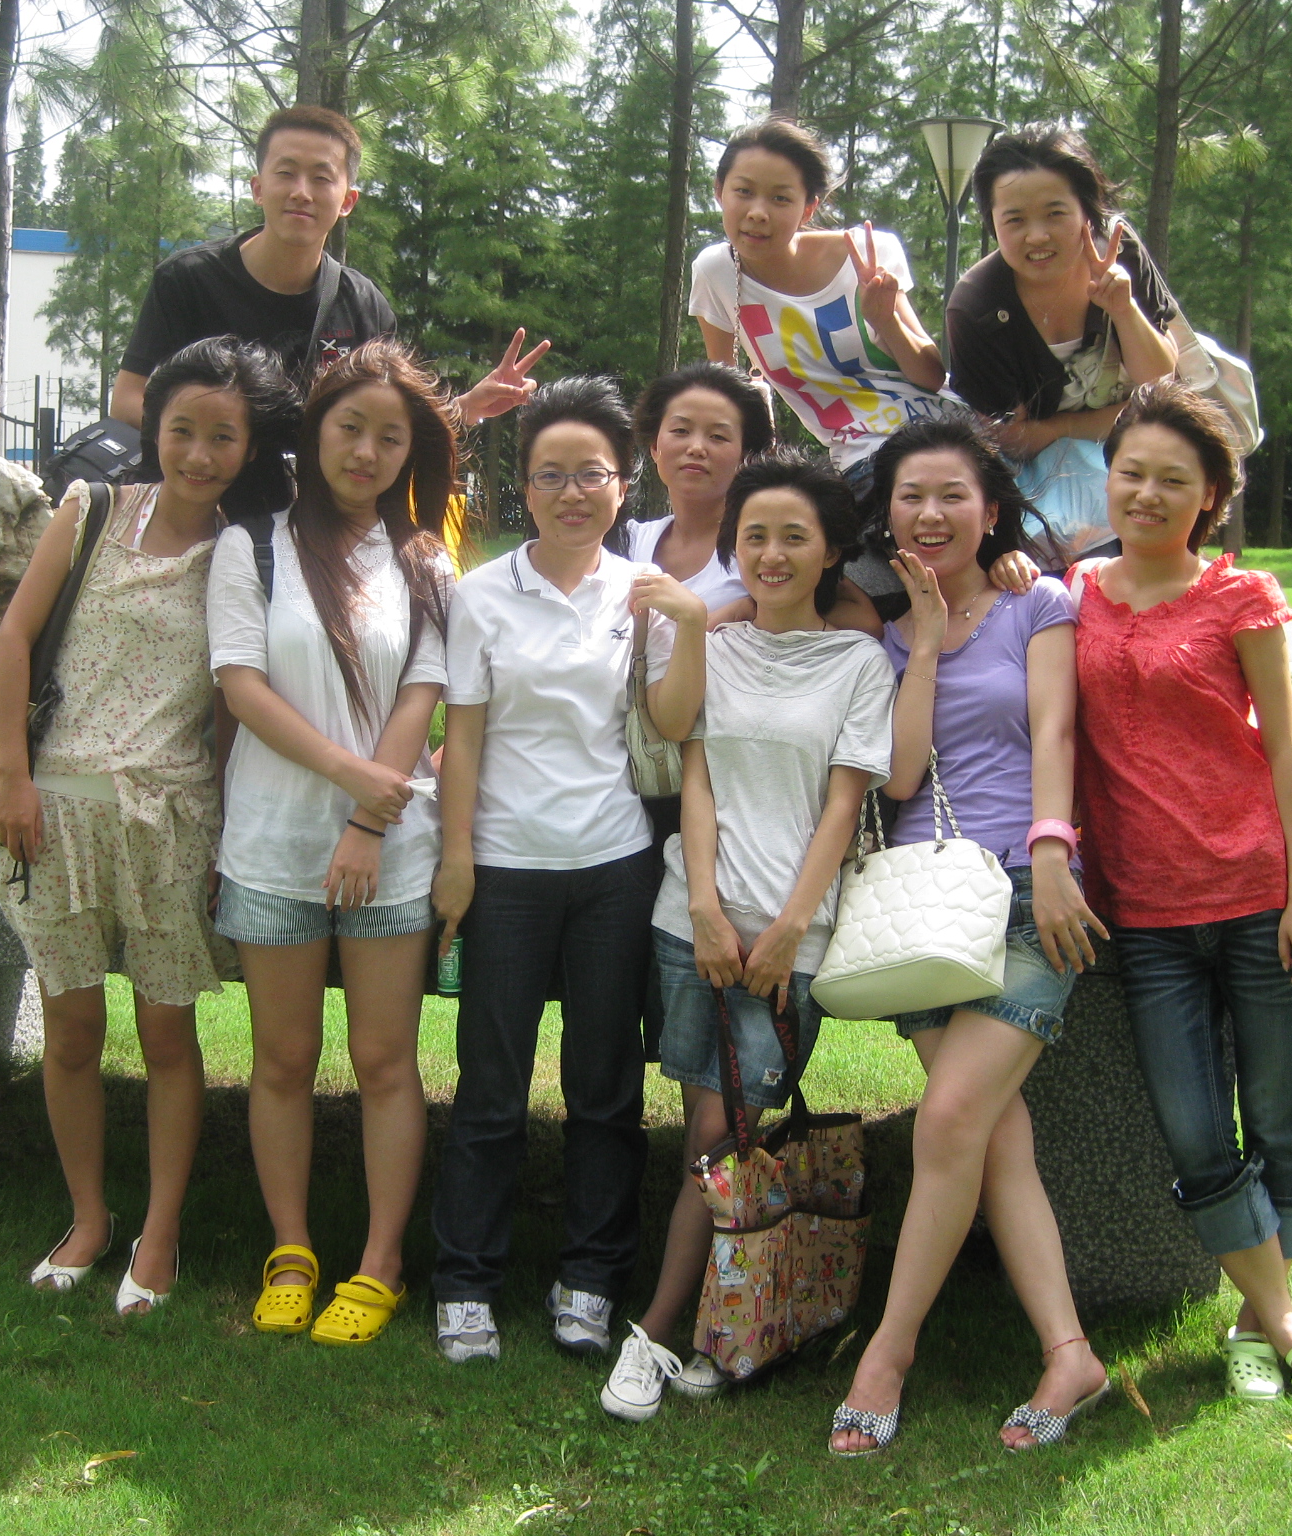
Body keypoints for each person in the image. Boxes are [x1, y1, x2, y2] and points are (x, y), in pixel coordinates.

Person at [1072, 379, 1292, 1406]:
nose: (1146, 494)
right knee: (1194, 1129)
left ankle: (1252, 1320)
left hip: (1252, 892)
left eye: (1172, 480)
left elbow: (1284, 751)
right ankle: (1288, 1322)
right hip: (1144, 912)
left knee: (1276, 1111)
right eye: (1130, 473)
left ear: (1209, 497)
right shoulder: (1075, 592)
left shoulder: (1240, 597)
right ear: (1107, 480)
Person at [0, 336, 301, 1315]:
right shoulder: (90, 512)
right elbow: (14, 638)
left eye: (223, 437)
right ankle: (88, 1218)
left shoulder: (244, 554)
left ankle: (159, 1231)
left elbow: (233, 704)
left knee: (167, 1037)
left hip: (170, 822)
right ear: (152, 427)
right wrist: (13, 777)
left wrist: (225, 831)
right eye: (182, 430)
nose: (199, 454)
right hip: (56, 813)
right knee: (71, 1031)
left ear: (249, 448)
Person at [828, 413, 1112, 1455]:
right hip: (921, 906)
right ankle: (1068, 1353)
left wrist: (1053, 852)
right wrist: (921, 639)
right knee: (991, 1135)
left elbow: (1055, 731)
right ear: (888, 517)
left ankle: (885, 1354)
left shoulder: (1038, 603)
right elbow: (900, 777)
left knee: (949, 1117)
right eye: (910, 496)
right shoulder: (886, 635)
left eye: (952, 494)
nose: (930, 513)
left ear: (990, 510)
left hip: (1028, 892)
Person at [597, 449, 893, 1423]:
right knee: (715, 1134)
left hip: (788, 939)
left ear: (830, 552)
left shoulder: (858, 664)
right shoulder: (715, 650)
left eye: (792, 537)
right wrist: (704, 911)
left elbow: (843, 804)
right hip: (694, 926)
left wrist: (790, 929)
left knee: (726, 1134)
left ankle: (660, 1328)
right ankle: (717, 1328)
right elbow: (695, 779)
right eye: (753, 536)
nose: (771, 554)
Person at [428, 377, 709, 1364]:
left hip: (613, 867)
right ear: (525, 487)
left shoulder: (641, 593)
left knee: (604, 1087)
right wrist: (456, 860)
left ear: (623, 483)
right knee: (490, 1086)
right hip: (504, 868)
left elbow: (671, 723)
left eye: (590, 474)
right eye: (550, 475)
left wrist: (688, 626)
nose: (571, 493)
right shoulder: (480, 594)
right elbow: (463, 738)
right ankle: (465, 1279)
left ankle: (590, 1278)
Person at [207, 340, 459, 1347]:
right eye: (350, 427)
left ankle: (381, 1260)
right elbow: (241, 686)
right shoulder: (251, 546)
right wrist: (350, 778)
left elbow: (422, 695)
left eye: (390, 437)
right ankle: (291, 1248)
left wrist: (365, 818)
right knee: (280, 1060)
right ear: (314, 433)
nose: (366, 451)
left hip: (390, 853)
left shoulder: (424, 559)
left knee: (385, 1061)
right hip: (270, 845)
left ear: (409, 453)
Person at [113, 104, 544, 430]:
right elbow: (127, 400)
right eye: (286, 173)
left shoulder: (364, 306)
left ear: (347, 201)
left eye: (322, 178)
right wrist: (207, 441)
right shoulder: (187, 281)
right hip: (207, 504)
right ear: (258, 188)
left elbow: (390, 421)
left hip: (313, 515)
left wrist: (466, 407)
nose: (301, 192)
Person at [948, 124, 1178, 569]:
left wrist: (1124, 310)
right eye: (1015, 220)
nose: (1037, 236)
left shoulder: (1120, 254)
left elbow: (1161, 390)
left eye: (1055, 213)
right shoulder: (976, 309)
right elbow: (1011, 441)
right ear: (993, 223)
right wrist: (1107, 420)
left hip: (1144, 470)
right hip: (1040, 504)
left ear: (1088, 212)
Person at [688, 119, 947, 506]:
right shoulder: (715, 272)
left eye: (780, 199)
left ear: (809, 207)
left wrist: (886, 320)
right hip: (860, 461)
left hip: (939, 432)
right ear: (719, 192)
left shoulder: (867, 254)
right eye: (743, 191)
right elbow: (724, 392)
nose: (758, 212)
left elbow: (931, 376)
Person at [621, 361, 884, 634]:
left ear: (746, 455)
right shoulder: (627, 541)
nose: (696, 447)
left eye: (718, 436)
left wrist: (749, 609)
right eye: (680, 431)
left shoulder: (763, 545)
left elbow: (866, 622)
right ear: (654, 446)